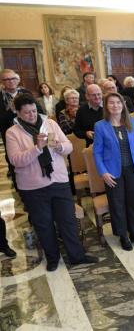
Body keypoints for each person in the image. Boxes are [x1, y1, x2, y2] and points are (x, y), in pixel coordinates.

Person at [6, 94, 98, 271]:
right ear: (17, 113)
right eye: (26, 113)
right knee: (44, 224)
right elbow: (16, 160)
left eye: (33, 111)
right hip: (33, 187)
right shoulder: (13, 133)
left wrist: (59, 146)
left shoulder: (50, 123)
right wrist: (37, 148)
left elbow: (69, 146)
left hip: (58, 180)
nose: (32, 115)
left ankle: (77, 256)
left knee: (68, 221)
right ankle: (53, 258)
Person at [93, 92, 134, 251]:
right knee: (117, 204)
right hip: (112, 172)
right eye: (111, 103)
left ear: (123, 104)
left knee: (133, 202)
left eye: (118, 102)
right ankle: (123, 235)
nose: (115, 105)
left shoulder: (131, 123)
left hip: (132, 169)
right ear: (106, 106)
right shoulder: (100, 126)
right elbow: (97, 152)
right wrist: (103, 172)